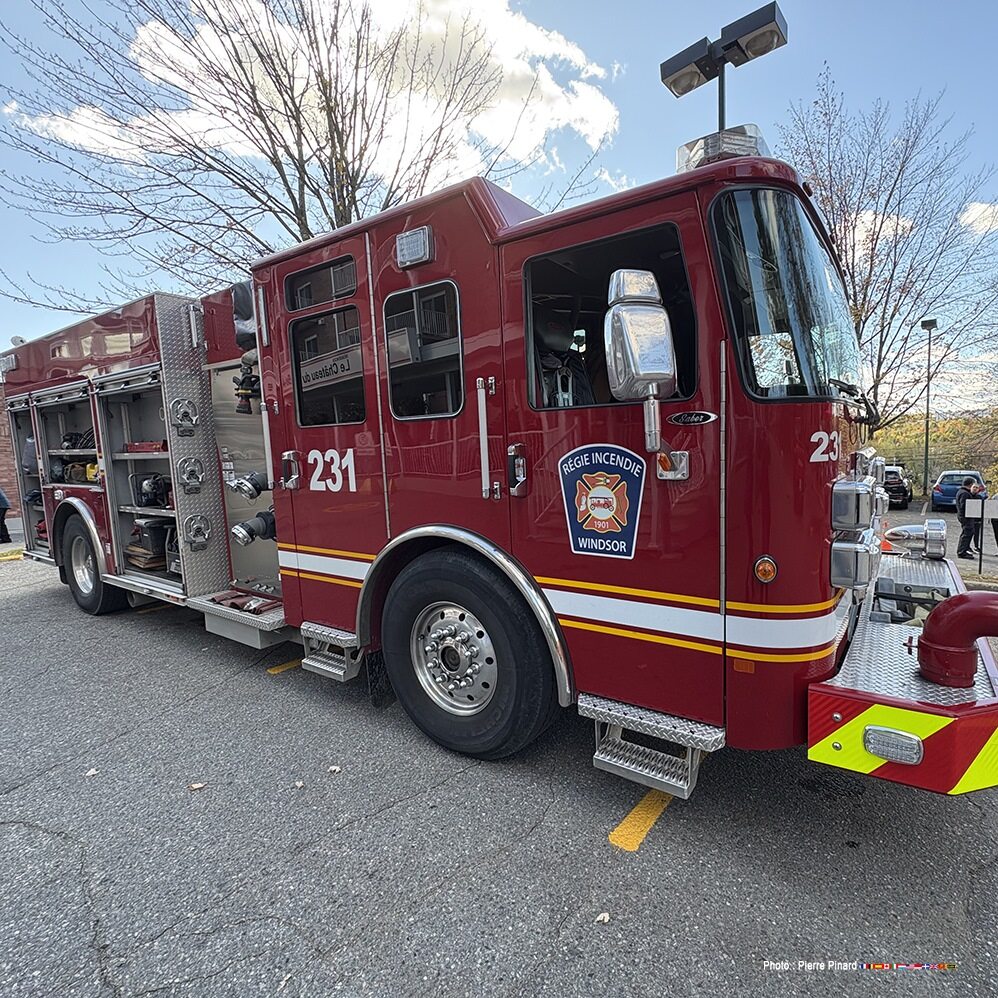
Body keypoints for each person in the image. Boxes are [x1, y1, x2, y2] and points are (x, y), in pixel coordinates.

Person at [955, 477, 978, 560]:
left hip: (965, 516)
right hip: (966, 516)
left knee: (969, 532)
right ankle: (961, 551)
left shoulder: (963, 492)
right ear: (970, 484)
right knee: (967, 533)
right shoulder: (964, 493)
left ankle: (964, 549)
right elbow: (964, 505)